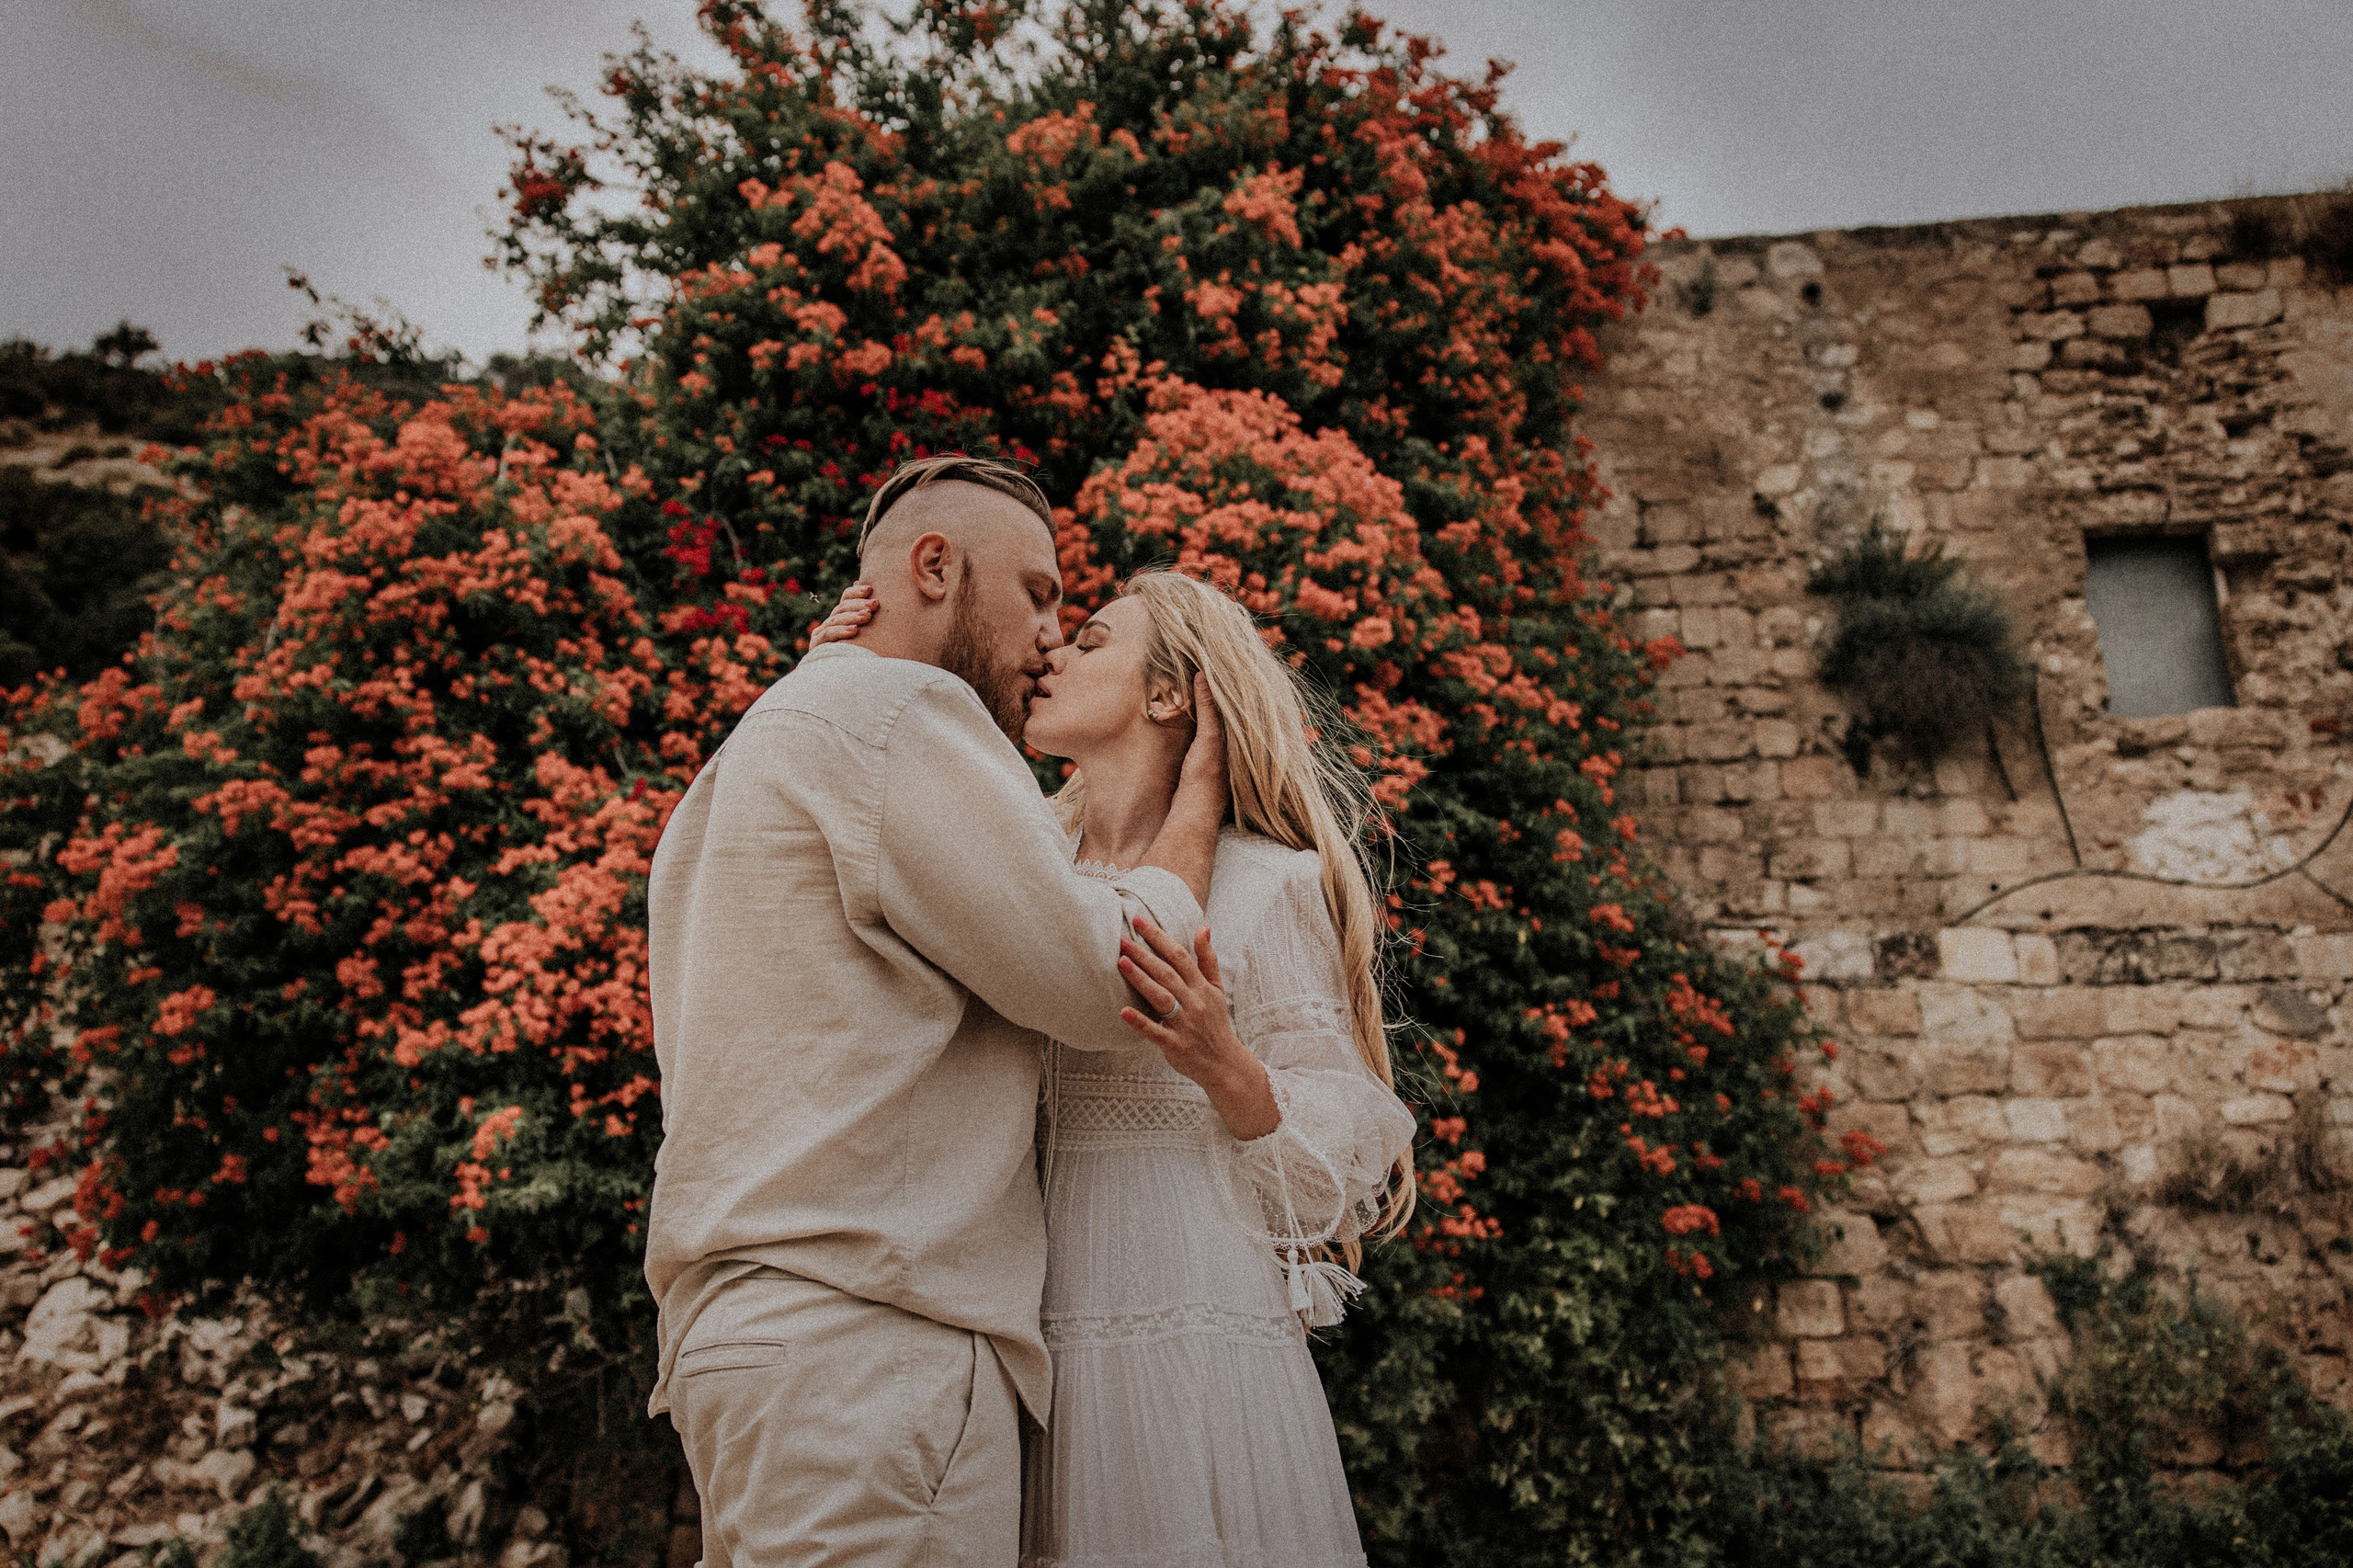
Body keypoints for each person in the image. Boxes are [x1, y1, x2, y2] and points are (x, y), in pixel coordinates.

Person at [643, 456, 1231, 1568]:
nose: (1053, 635)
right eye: (1041, 593)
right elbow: (1110, 976)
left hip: (749, 1344)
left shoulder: (754, 747)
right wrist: (1194, 807)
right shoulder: (899, 708)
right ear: (933, 566)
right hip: (869, 1350)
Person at [812, 568, 1417, 1568]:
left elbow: (1337, 1158)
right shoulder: (1016, 875)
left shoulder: (1269, 884)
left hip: (1191, 1314)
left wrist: (1227, 1065)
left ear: (1169, 695)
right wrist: (837, 672)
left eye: (1091, 639)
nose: (1054, 649)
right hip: (1010, 1321)